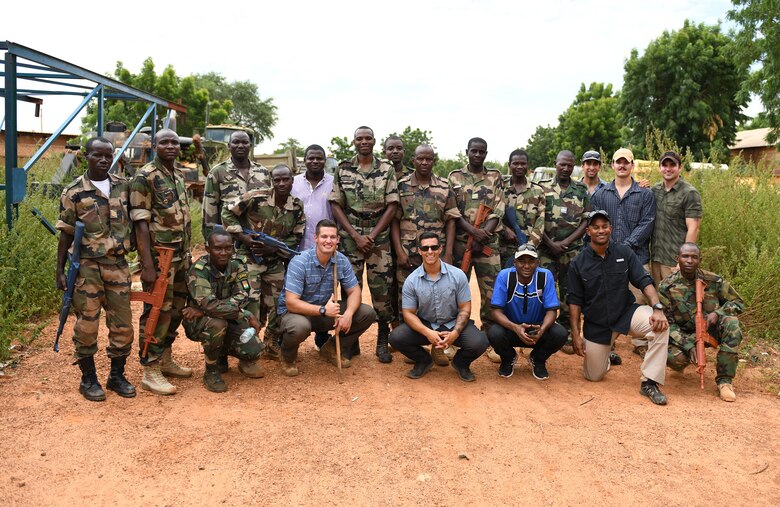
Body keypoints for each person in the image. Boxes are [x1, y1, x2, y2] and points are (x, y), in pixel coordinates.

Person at [55, 136, 135, 401]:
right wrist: (60, 270)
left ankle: (116, 376)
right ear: (85, 157)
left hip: (118, 265)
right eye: (97, 155)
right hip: (86, 268)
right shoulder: (74, 191)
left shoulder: (124, 187)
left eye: (108, 155)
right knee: (87, 324)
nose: (103, 160)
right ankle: (88, 379)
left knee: (122, 323)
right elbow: (66, 233)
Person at [568, 210, 670, 405]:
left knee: (659, 326)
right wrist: (575, 334)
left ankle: (650, 381)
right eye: (596, 227)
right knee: (593, 376)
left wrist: (657, 307)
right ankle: (604, 357)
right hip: (597, 323)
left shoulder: (624, 252)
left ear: (611, 229)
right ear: (588, 231)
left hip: (626, 314)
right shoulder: (578, 263)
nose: (601, 231)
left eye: (605, 226)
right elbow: (575, 301)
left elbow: (644, 280)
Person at [129, 128, 193, 395]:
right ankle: (150, 367)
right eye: (164, 142)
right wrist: (147, 264)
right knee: (157, 310)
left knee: (176, 308)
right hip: (160, 257)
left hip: (181, 255)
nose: (170, 146)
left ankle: (165, 356)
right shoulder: (145, 177)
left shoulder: (177, 175)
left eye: (174, 142)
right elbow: (140, 223)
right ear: (153, 145)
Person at [329, 126, 399, 363]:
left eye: (368, 138)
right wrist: (356, 235)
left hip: (379, 237)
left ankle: (382, 340)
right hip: (350, 236)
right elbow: (336, 204)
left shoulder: (386, 169)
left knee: (382, 290)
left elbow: (392, 205)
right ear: (354, 142)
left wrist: (372, 235)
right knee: (351, 289)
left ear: (375, 141)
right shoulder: (343, 168)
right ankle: (351, 341)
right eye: (360, 138)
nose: (364, 142)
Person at [222, 164, 305, 359]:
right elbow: (226, 213)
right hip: (247, 258)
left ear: (293, 180)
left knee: (280, 303)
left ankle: (271, 340)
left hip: (274, 261)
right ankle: (249, 344)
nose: (282, 183)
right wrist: (243, 237)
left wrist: (275, 248)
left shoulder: (297, 206)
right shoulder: (255, 197)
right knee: (251, 301)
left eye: (286, 179)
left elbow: (297, 236)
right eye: (277, 180)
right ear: (271, 181)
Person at [276, 219, 377, 377]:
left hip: (325, 312)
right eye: (324, 237)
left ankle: (331, 348)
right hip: (297, 313)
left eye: (332, 237)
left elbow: (355, 291)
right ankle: (287, 355)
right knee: (299, 327)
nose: (328, 241)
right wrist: (323, 310)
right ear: (315, 238)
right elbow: (291, 303)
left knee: (366, 313)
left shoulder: (341, 260)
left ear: (338, 239)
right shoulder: (300, 261)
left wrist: (348, 314)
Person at [391, 144, 460, 366]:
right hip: (408, 255)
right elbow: (394, 220)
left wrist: (448, 252)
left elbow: (450, 220)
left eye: (428, 159)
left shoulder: (443, 186)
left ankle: (438, 347)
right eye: (420, 159)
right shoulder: (401, 186)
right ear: (413, 160)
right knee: (407, 300)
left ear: (434, 160)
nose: (424, 163)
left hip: (434, 255)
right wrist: (399, 250)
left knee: (438, 300)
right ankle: (413, 349)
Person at [389, 232, 489, 381]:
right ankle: (423, 360)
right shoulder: (411, 280)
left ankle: (461, 363)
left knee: (480, 342)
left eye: (434, 247)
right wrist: (428, 332)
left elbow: (465, 308)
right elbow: (408, 313)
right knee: (396, 338)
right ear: (419, 251)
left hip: (453, 322)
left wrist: (455, 333)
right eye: (425, 248)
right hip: (427, 323)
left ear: (440, 249)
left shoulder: (458, 275)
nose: (430, 251)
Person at [592, 148, 656, 359]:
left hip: (637, 257)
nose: (622, 166)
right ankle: (607, 342)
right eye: (618, 162)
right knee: (608, 300)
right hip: (607, 258)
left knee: (637, 299)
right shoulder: (601, 194)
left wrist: (626, 246)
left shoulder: (645, 193)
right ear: (612, 165)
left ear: (632, 165)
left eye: (626, 162)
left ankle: (639, 342)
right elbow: (595, 223)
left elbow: (647, 222)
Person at [658, 243, 744, 402]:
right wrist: (688, 345)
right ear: (677, 259)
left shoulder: (714, 280)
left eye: (694, 257)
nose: (689, 260)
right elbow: (668, 322)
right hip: (684, 334)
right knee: (675, 358)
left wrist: (718, 313)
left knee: (732, 324)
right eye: (685, 256)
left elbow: (738, 303)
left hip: (710, 330)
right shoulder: (666, 286)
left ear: (700, 260)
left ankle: (725, 381)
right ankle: (680, 366)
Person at [182, 230, 265, 392]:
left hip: (217, 316)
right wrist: (244, 313)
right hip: (199, 324)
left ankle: (221, 354)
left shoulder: (238, 264)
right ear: (207, 249)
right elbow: (210, 305)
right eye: (218, 248)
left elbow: (242, 295)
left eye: (228, 248)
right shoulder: (198, 270)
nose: (223, 253)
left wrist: (205, 310)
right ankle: (211, 371)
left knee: (254, 350)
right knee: (217, 323)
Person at [449, 137, 505, 335]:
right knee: (455, 290)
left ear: (486, 154)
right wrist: (473, 232)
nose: (477, 155)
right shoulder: (455, 177)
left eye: (482, 152)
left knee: (492, 293)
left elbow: (499, 208)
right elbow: (452, 211)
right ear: (467, 152)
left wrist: (484, 234)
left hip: (488, 244)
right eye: (474, 151)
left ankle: (490, 335)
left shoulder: (495, 177)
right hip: (461, 244)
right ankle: (455, 335)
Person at [487, 244, 567, 380]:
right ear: (514, 262)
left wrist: (541, 329)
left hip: (537, 331)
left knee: (560, 334)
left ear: (537, 263)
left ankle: (538, 359)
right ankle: (508, 358)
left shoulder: (545, 276)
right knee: (494, 333)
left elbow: (552, 311)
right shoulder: (505, 276)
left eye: (531, 261)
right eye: (521, 261)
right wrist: (515, 328)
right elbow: (496, 311)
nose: (526, 266)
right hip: (512, 329)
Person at [539, 150, 591, 350]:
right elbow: (536, 219)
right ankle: (545, 331)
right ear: (555, 164)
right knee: (545, 291)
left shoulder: (580, 189)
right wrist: (551, 244)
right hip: (545, 250)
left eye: (570, 165)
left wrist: (566, 242)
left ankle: (567, 334)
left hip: (572, 250)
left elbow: (586, 220)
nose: (566, 169)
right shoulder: (542, 188)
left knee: (570, 293)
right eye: (562, 165)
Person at [291, 144, 335, 349]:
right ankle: (292, 334)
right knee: (296, 291)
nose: (315, 161)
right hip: (297, 247)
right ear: (304, 160)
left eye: (319, 158)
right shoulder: (293, 183)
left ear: (324, 160)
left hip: (325, 247)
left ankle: (321, 335)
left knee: (324, 290)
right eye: (311, 158)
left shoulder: (334, 183)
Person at [202, 130, 270, 239]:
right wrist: (209, 239)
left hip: (257, 237)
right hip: (229, 238)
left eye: (245, 142)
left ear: (250, 146)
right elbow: (209, 210)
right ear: (229, 146)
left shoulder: (263, 172)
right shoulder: (218, 172)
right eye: (236, 142)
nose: (240, 146)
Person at [651, 151, 702, 284]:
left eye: (672, 165)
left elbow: (694, 228)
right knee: (658, 302)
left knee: (677, 302)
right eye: (664, 165)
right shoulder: (654, 190)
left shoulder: (689, 193)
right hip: (656, 259)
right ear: (659, 168)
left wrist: (684, 261)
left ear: (680, 167)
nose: (668, 169)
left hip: (674, 263)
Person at [498, 149, 545, 267]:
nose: (519, 166)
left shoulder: (537, 191)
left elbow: (540, 221)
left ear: (528, 165)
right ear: (509, 165)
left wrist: (528, 248)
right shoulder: (499, 188)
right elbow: (492, 213)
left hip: (530, 250)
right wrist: (504, 229)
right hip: (503, 249)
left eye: (523, 163)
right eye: (515, 163)